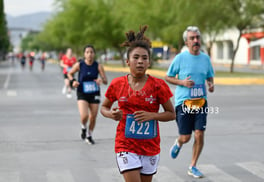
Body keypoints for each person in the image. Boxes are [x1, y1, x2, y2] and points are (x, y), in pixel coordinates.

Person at [100, 25, 175, 182]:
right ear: (128, 61)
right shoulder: (117, 84)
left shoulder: (158, 85)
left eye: (144, 58)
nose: (140, 61)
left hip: (150, 146)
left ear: (149, 62)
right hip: (125, 145)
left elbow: (171, 114)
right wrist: (112, 115)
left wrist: (152, 115)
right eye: (136, 58)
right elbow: (104, 107)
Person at [165, 26, 215, 178]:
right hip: (184, 103)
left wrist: (211, 84)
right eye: (192, 38)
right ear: (186, 42)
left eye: (197, 38)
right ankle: (179, 142)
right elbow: (168, 77)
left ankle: (193, 165)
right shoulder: (180, 58)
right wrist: (182, 82)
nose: (196, 41)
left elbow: (209, 76)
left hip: (200, 102)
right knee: (186, 137)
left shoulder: (205, 58)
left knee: (199, 134)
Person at [67, 45, 107, 144]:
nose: (89, 54)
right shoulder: (79, 65)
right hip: (82, 92)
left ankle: (89, 135)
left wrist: (100, 80)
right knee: (84, 116)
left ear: (94, 54)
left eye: (91, 52)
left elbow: (105, 80)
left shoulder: (98, 66)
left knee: (93, 116)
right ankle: (83, 127)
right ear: (84, 54)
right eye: (87, 52)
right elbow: (69, 74)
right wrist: (73, 81)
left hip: (94, 93)